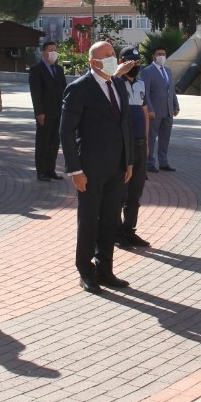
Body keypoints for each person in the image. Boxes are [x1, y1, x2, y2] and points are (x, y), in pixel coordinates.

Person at [60, 41, 133, 294]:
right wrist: (75, 170)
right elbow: (66, 132)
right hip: (89, 170)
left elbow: (126, 125)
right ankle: (85, 270)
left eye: (113, 54)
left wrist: (129, 161)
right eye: (107, 55)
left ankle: (105, 269)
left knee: (110, 221)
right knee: (89, 220)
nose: (113, 58)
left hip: (117, 167)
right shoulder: (79, 89)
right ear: (93, 62)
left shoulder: (119, 84)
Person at [116, 46, 151, 248]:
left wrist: (146, 141)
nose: (134, 66)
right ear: (121, 62)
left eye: (137, 63)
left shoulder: (140, 84)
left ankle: (130, 230)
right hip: (123, 147)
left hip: (139, 145)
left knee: (135, 193)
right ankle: (116, 232)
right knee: (120, 192)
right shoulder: (115, 84)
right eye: (130, 62)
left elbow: (145, 112)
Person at [28, 40, 67, 181]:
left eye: (55, 50)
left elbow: (64, 89)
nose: (53, 53)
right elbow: (35, 93)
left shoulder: (59, 69)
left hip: (58, 112)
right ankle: (41, 172)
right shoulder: (36, 69)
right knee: (43, 143)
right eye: (50, 50)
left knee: (54, 142)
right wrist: (39, 112)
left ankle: (51, 170)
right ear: (44, 53)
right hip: (44, 113)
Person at [140, 45, 179, 173]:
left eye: (163, 54)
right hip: (154, 112)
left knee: (165, 138)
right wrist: (149, 109)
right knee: (151, 138)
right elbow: (145, 92)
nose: (161, 56)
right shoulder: (147, 71)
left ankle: (163, 162)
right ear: (153, 56)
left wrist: (175, 105)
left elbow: (171, 90)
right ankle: (149, 163)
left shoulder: (168, 71)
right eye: (158, 54)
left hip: (168, 111)